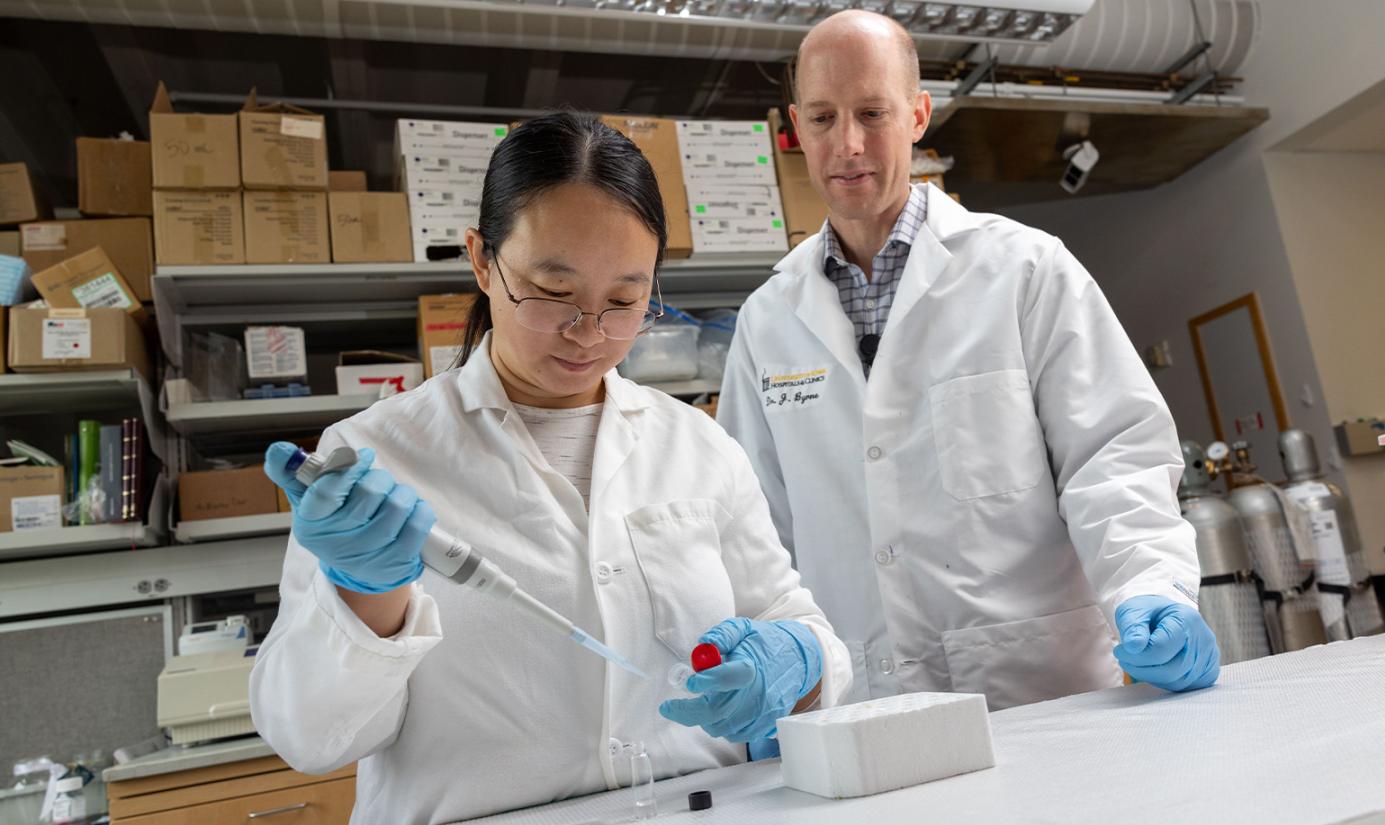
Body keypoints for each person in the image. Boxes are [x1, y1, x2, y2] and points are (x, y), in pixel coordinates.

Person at [250, 112, 852, 825]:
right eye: (554, 292)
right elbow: (308, 738)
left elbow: (798, 624)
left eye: (624, 302)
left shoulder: (697, 444)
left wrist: (802, 661)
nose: (589, 333)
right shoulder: (378, 456)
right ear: (482, 261)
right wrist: (364, 603)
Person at [717, 11, 1219, 710]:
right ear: (797, 126)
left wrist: (1150, 585)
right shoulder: (768, 321)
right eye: (825, 118)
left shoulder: (1024, 269)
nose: (849, 144)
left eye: (872, 112)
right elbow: (752, 523)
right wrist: (775, 650)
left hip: (1041, 690)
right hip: (866, 706)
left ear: (919, 115)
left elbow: (1113, 456)